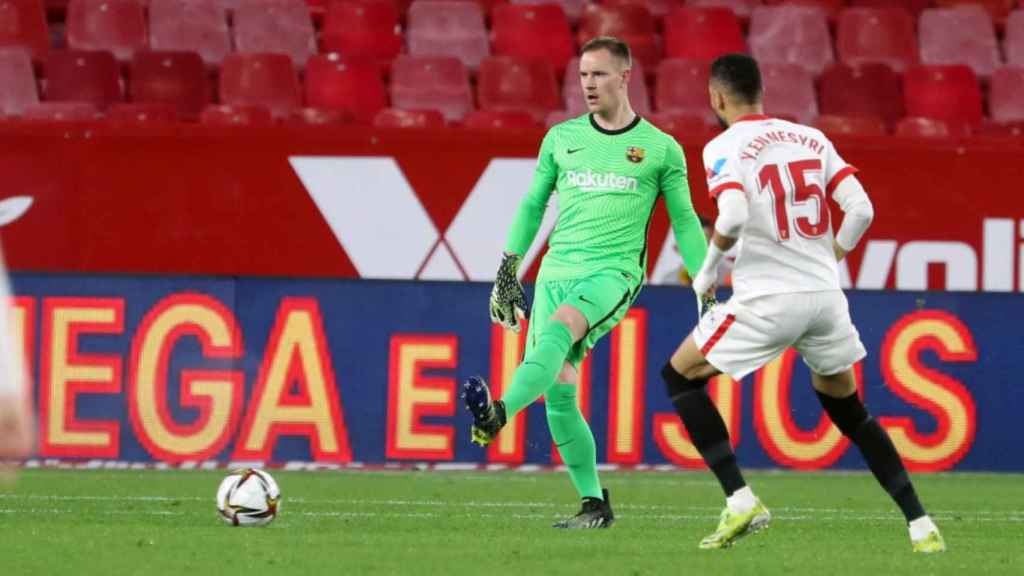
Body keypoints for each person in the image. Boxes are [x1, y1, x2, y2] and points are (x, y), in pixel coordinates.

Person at [658, 53, 946, 552]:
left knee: (679, 377)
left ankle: (741, 499)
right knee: (850, 411)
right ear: (761, 92)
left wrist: (707, 273)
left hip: (768, 299)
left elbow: (730, 215)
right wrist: (829, 257)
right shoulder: (811, 138)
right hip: (825, 298)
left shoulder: (725, 145)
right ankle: (921, 526)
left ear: (716, 97)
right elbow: (861, 210)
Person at [462, 36, 710, 528]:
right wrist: (509, 268)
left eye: (598, 74)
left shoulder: (661, 149)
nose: (588, 84)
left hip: (612, 273)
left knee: (558, 329)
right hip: (556, 271)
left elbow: (684, 221)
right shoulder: (561, 138)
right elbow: (534, 205)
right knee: (558, 393)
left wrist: (706, 282)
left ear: (624, 76)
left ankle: (497, 415)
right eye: (582, 75)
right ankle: (594, 505)